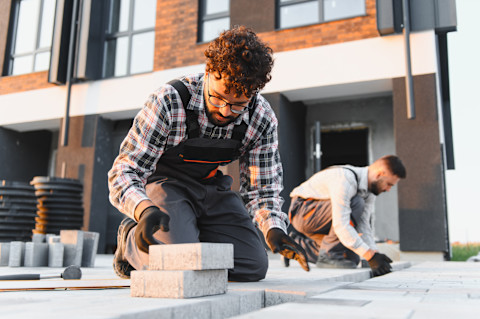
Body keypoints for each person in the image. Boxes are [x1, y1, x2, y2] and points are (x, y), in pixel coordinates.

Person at [108, 26, 309, 281]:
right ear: (209, 72)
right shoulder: (170, 101)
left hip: (212, 191)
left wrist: (273, 230)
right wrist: (143, 209)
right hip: (166, 187)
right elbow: (125, 170)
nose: (225, 111)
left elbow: (263, 189)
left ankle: (188, 237)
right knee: (178, 267)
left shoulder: (261, 118)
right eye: (218, 98)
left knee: (254, 266)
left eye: (238, 105)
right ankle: (129, 241)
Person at [286, 155, 406, 277]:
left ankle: (291, 246)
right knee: (356, 203)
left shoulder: (369, 191)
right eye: (389, 184)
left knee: (350, 259)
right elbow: (341, 224)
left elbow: (363, 225)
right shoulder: (345, 180)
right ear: (379, 174)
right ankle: (328, 254)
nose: (389, 189)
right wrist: (370, 255)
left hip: (321, 217)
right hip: (302, 212)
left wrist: (373, 254)